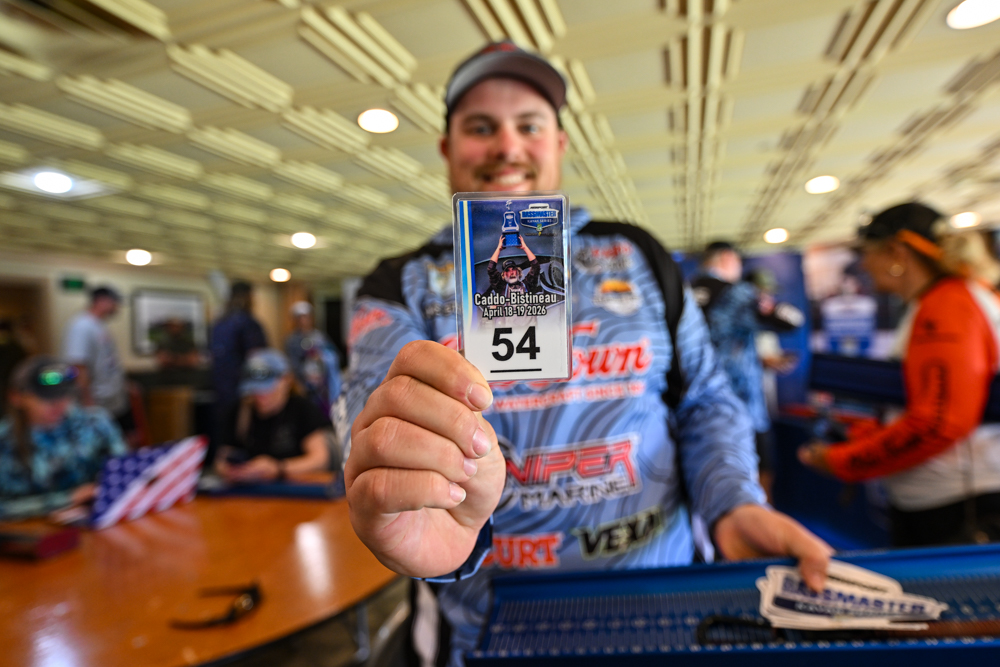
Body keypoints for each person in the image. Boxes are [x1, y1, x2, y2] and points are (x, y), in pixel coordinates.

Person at [343, 41, 831, 666]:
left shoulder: (637, 255)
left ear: (560, 143)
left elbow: (705, 399)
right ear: (446, 148)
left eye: (529, 126)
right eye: (481, 128)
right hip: (485, 621)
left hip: (664, 602)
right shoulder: (401, 283)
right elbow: (368, 424)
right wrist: (395, 487)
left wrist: (731, 501)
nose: (507, 147)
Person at [799, 202, 1000, 547]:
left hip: (959, 507)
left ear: (896, 252)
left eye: (867, 253)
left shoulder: (947, 305)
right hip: (946, 497)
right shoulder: (940, 300)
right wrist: (864, 437)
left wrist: (842, 460)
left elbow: (939, 423)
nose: (864, 264)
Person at [692, 243, 804, 498]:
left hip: (697, 406)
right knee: (757, 477)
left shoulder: (682, 292)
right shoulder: (736, 293)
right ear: (727, 258)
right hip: (742, 406)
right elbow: (791, 321)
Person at [0, 356, 127, 519]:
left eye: (65, 394)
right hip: (29, 529)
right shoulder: (4, 440)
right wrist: (67, 498)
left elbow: (124, 477)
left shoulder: (96, 424)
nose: (58, 403)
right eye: (45, 397)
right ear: (16, 397)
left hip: (95, 523)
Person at [215, 349, 331, 483]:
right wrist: (232, 471)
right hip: (249, 491)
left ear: (286, 380)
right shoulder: (239, 411)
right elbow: (221, 461)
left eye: (268, 388)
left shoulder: (302, 409)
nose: (261, 396)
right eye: (254, 389)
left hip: (296, 488)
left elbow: (320, 460)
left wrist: (277, 468)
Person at [62, 286, 133, 439]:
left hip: (113, 402)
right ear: (102, 301)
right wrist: (89, 404)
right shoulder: (81, 326)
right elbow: (78, 365)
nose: (117, 308)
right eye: (115, 303)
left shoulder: (98, 326)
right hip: (97, 404)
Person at [209, 281, 267, 462]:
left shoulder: (218, 323)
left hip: (220, 390)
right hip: (244, 391)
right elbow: (258, 359)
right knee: (243, 439)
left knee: (224, 436)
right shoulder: (247, 323)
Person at [284, 301, 341, 414]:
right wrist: (297, 384)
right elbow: (290, 364)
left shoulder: (320, 337)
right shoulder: (291, 341)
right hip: (303, 386)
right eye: (299, 318)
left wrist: (322, 357)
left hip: (322, 387)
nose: (303, 321)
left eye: (305, 317)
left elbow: (334, 356)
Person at [485, 234, 539, 298]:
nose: (511, 273)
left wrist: (525, 247)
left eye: (513, 269)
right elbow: (491, 269)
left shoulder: (527, 285)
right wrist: (498, 249)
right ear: (504, 275)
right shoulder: (501, 288)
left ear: (518, 272)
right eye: (508, 270)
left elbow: (536, 266)